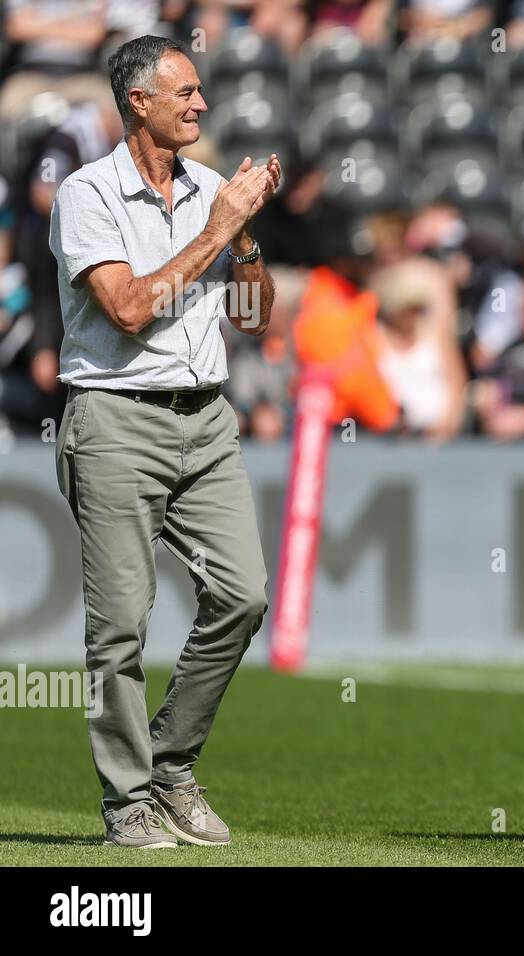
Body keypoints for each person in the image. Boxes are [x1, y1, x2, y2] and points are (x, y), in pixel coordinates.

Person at [48, 34, 279, 849]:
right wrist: (220, 228)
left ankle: (171, 768)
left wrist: (245, 237)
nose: (202, 104)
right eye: (185, 92)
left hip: (206, 419)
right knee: (119, 630)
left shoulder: (215, 189)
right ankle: (127, 804)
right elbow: (130, 310)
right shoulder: (85, 194)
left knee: (244, 595)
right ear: (138, 102)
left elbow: (251, 318)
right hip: (114, 419)